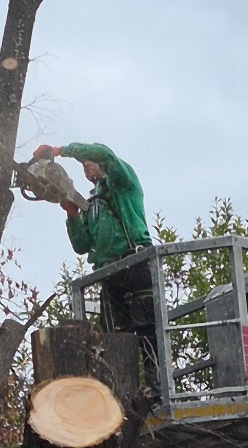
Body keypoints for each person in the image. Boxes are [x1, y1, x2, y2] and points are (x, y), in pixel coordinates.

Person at [32, 142, 160, 391]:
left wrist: (61, 151)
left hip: (135, 262)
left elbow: (105, 154)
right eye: (83, 165)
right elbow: (81, 245)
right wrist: (72, 214)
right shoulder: (92, 204)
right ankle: (121, 392)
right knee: (113, 337)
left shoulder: (122, 182)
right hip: (110, 272)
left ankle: (156, 388)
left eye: (88, 161)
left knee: (146, 327)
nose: (85, 167)